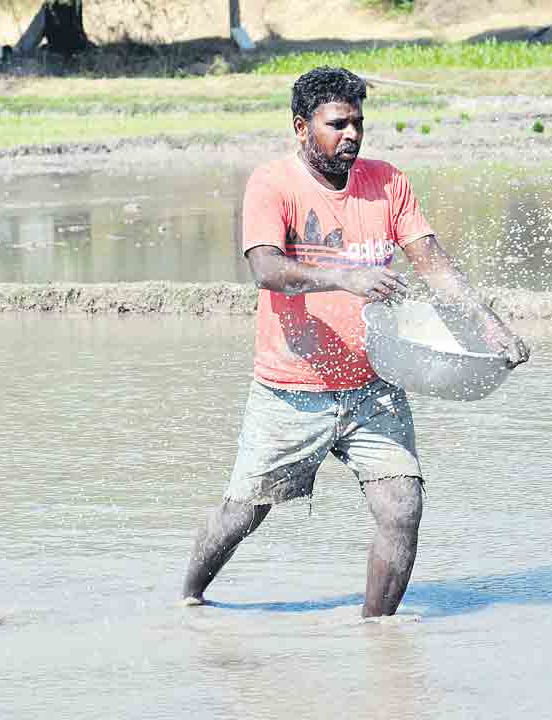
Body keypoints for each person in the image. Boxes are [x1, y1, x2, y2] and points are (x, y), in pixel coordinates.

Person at [181, 66, 530, 618]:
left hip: (374, 385)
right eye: (337, 124)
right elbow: (266, 269)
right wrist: (344, 276)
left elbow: (433, 264)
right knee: (243, 513)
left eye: (358, 123)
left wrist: (490, 325)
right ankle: (189, 598)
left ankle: (379, 636)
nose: (351, 134)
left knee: (403, 508)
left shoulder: (386, 182)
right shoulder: (273, 184)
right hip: (291, 390)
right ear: (302, 127)